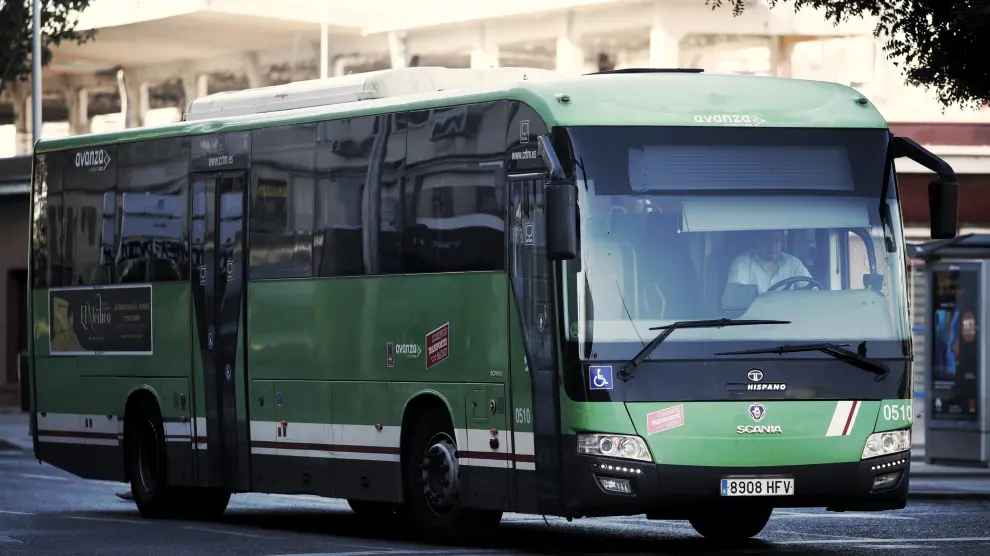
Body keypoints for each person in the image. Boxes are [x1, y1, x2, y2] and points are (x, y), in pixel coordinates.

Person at [725, 229, 812, 295]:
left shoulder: (793, 263)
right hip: (755, 318)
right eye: (767, 241)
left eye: (777, 241)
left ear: (782, 241)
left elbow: (813, 292)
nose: (773, 247)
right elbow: (735, 298)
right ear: (756, 241)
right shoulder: (742, 264)